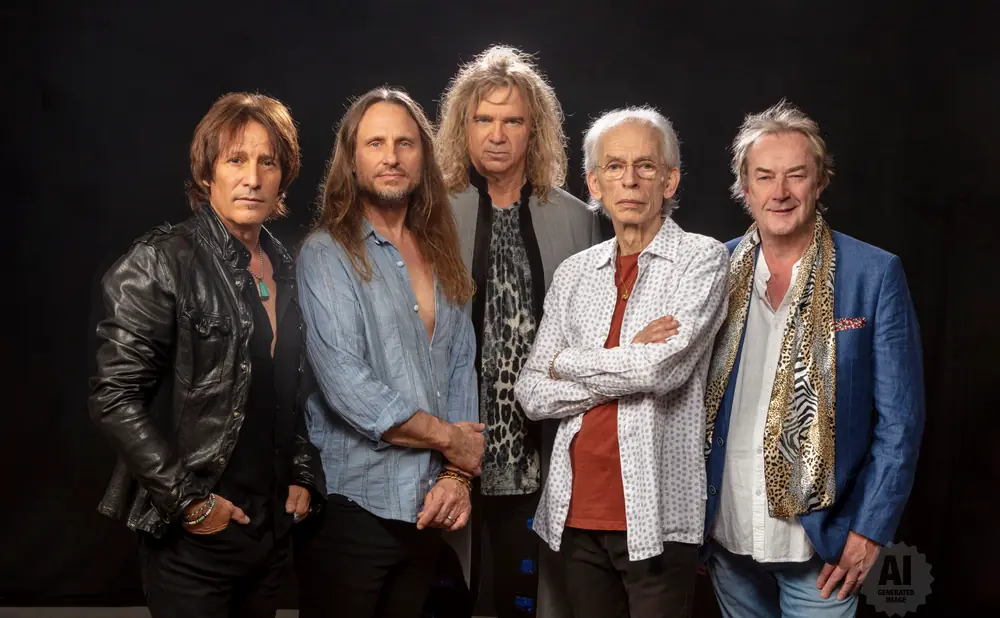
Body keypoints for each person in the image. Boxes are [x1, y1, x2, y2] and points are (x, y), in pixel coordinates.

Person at [88, 92, 325, 618]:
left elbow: (293, 388)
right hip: (193, 536)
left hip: (268, 532)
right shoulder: (159, 261)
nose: (253, 177)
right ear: (206, 174)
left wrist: (302, 473)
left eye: (268, 161)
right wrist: (189, 502)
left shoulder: (286, 265)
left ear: (284, 176)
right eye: (235, 159)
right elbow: (114, 397)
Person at [703, 101, 925, 617]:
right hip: (726, 531)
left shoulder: (874, 275)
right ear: (745, 186)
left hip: (819, 546)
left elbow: (901, 421)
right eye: (765, 177)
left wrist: (870, 528)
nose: (780, 192)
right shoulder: (711, 269)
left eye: (795, 176)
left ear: (819, 182)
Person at [514, 107, 730, 618]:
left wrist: (567, 362)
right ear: (594, 181)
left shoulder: (702, 259)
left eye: (646, 166)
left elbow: (663, 371)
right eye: (614, 167)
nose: (629, 180)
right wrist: (627, 354)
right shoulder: (575, 273)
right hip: (573, 514)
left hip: (657, 516)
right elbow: (531, 391)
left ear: (670, 179)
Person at [294, 87, 483, 618]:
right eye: (375, 143)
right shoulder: (326, 253)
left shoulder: (443, 254)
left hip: (428, 509)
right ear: (352, 161)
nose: (391, 156)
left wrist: (455, 476)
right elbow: (347, 386)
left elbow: (461, 369)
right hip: (353, 511)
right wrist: (453, 443)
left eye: (404, 143)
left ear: (423, 157)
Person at [436, 44, 602, 618]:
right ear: (464, 126)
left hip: (547, 443)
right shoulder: (431, 212)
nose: (497, 134)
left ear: (536, 131)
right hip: (454, 442)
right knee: (453, 589)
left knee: (533, 595)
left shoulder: (578, 218)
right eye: (484, 119)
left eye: (513, 120)